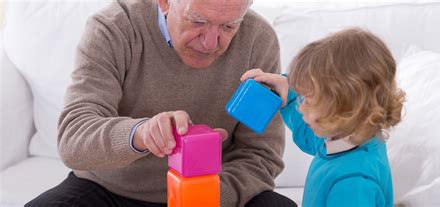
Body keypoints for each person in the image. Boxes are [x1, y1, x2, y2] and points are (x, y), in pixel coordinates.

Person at [26, 0, 297, 206]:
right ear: (165, 2)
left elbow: (259, 155)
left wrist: (203, 197)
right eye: (198, 21)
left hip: (210, 195)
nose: (211, 42)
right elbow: (75, 140)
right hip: (109, 190)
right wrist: (142, 134)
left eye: (229, 26)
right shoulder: (114, 28)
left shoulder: (257, 39)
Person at [241, 28, 406, 207]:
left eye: (309, 100)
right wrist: (288, 93)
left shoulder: (353, 183)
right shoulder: (351, 139)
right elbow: (311, 137)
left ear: (346, 106)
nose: (301, 107)